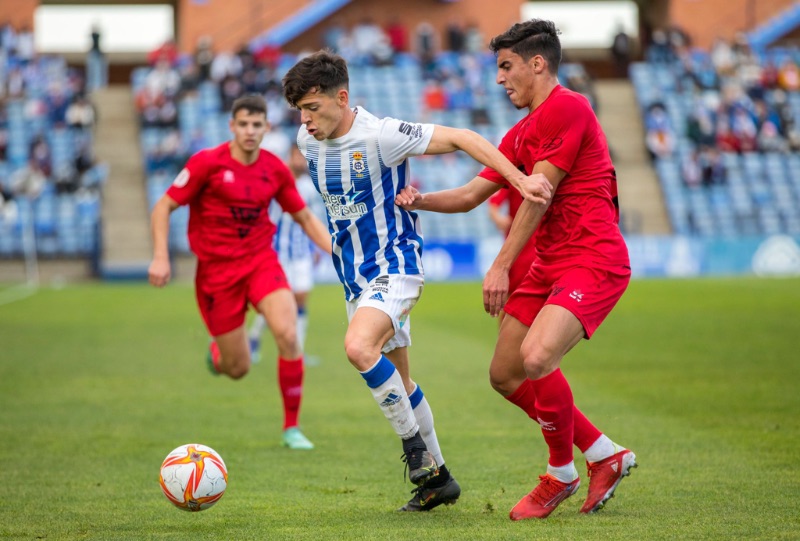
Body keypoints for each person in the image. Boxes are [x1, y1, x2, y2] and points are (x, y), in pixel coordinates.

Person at [281, 49, 552, 512]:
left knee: (357, 348)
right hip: (355, 280)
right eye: (299, 112)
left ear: (341, 98)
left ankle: (413, 451)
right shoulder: (308, 144)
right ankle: (439, 480)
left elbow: (464, 137)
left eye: (312, 108)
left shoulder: (382, 134)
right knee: (401, 383)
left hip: (396, 268)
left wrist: (518, 179)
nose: (305, 121)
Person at [395, 19, 637, 520]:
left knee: (538, 355)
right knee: (505, 374)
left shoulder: (569, 107)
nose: (500, 79)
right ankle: (604, 454)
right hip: (550, 266)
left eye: (506, 67)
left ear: (537, 63)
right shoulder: (520, 131)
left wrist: (501, 266)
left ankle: (561, 474)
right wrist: (419, 200)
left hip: (591, 258)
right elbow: (468, 196)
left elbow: (538, 194)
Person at [147, 95, 332, 451]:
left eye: (257, 125)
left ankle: (292, 428)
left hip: (261, 262)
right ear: (232, 126)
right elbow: (164, 205)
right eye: (243, 124)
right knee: (238, 368)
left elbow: (306, 218)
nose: (250, 131)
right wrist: (160, 257)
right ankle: (219, 356)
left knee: (289, 334)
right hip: (216, 274)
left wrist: (337, 252)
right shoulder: (207, 163)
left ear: (266, 128)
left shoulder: (274, 170)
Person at [248, 145, 323, 365]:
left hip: (301, 254)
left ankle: (297, 351)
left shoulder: (309, 187)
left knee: (300, 299)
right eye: (296, 156)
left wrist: (316, 247)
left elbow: (313, 219)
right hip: (277, 253)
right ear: (289, 158)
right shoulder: (276, 182)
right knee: (275, 301)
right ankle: (253, 339)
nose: (299, 160)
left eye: (302, 156)